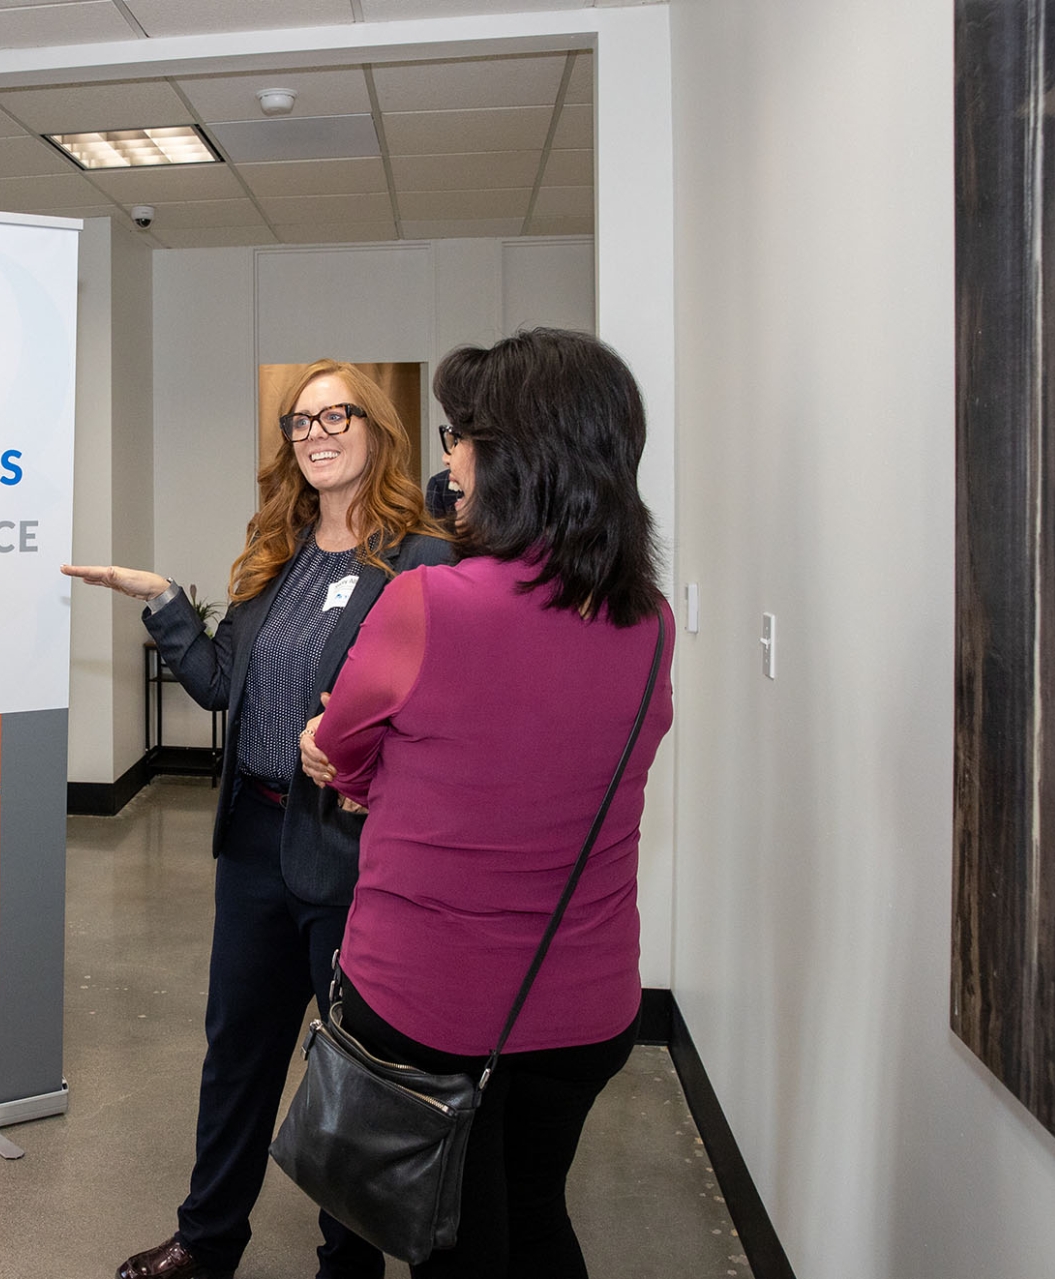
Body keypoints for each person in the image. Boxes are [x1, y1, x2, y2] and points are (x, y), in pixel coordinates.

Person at [64, 360, 452, 1279]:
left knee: (352, 1073)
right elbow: (219, 687)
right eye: (298, 422)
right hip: (253, 844)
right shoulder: (277, 554)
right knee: (236, 1053)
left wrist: (371, 758)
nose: (314, 433)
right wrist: (161, 600)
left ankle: (346, 1263)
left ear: (378, 428)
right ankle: (207, 1241)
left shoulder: (421, 562)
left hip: (354, 852)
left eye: (335, 415)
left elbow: (443, 709)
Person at [301, 328, 674, 1279]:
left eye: (462, 438)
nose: (448, 460)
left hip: (432, 1008)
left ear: (513, 460)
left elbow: (340, 750)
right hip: (588, 1005)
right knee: (538, 1209)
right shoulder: (650, 620)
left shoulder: (431, 603)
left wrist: (348, 769)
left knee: (454, 1235)